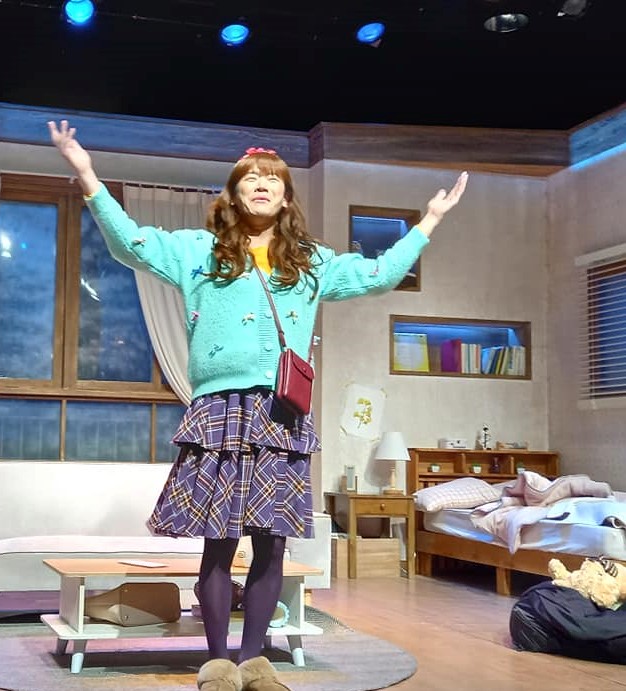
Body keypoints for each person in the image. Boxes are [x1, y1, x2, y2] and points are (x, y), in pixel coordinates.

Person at [48, 119, 467, 690]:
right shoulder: (198, 252)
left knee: (272, 546)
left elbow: (378, 275)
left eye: (273, 178)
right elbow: (130, 243)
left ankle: (254, 663)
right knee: (218, 543)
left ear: (286, 196)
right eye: (251, 177)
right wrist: (87, 173)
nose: (263, 184)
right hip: (219, 410)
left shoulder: (311, 262)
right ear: (234, 192)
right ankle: (217, 663)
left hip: (281, 413)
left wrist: (429, 222)